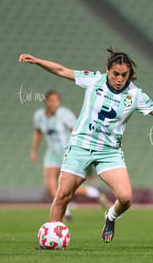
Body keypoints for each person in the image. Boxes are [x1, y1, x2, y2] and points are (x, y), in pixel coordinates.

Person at [19, 48, 153, 246]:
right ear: (107, 70)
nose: (119, 79)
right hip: (80, 145)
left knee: (126, 198)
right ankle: (49, 240)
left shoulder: (134, 95)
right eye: (115, 74)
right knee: (63, 195)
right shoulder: (94, 80)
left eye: (124, 75)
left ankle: (110, 216)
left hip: (109, 152)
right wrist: (37, 60)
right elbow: (62, 70)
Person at [31, 91, 111, 221]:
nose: (54, 103)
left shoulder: (65, 114)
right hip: (52, 153)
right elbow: (38, 132)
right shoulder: (39, 116)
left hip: (66, 152)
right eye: (51, 100)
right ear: (46, 102)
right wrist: (34, 150)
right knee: (50, 184)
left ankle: (95, 193)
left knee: (67, 186)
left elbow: (76, 129)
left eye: (57, 100)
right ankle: (64, 211)